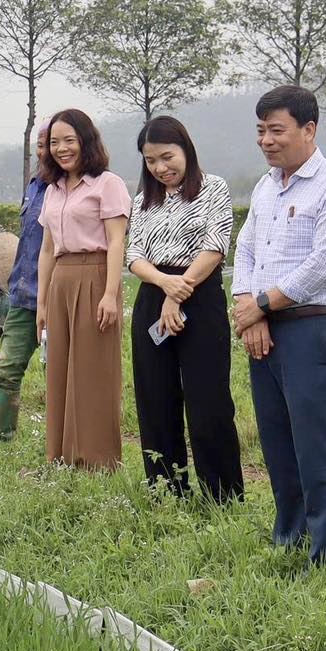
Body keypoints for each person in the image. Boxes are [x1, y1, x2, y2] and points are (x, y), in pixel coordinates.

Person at [231, 87, 326, 564]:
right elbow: (245, 249)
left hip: (311, 329)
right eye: (261, 131)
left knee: (314, 442)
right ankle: (289, 534)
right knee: (276, 439)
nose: (267, 140)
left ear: (309, 130)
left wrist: (261, 305)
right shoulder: (267, 187)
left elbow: (325, 264)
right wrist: (249, 307)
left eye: (277, 130)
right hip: (264, 325)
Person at [127, 115, 243, 500]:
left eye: (166, 156)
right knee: (155, 397)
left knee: (208, 399)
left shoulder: (214, 188)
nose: (160, 168)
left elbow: (215, 246)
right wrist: (163, 286)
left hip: (201, 295)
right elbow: (134, 255)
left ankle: (221, 495)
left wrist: (176, 294)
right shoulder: (142, 200)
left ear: (186, 150)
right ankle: (166, 489)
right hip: (153, 296)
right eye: (150, 160)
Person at [36, 108, 131, 469]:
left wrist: (110, 293)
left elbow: (116, 242)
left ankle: (96, 459)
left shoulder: (108, 184)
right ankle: (58, 455)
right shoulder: (53, 190)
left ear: (86, 141)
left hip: (94, 275)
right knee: (58, 367)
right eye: (54, 143)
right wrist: (42, 303)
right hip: (60, 276)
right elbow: (46, 249)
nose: (61, 149)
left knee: (93, 370)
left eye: (69, 140)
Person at [0, 121, 52, 441]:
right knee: (6, 370)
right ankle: (0, 439)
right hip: (24, 295)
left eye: (50, 144)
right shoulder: (34, 185)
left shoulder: (72, 188)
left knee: (60, 376)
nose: (44, 151)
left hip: (60, 296)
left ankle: (63, 445)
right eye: (39, 145)